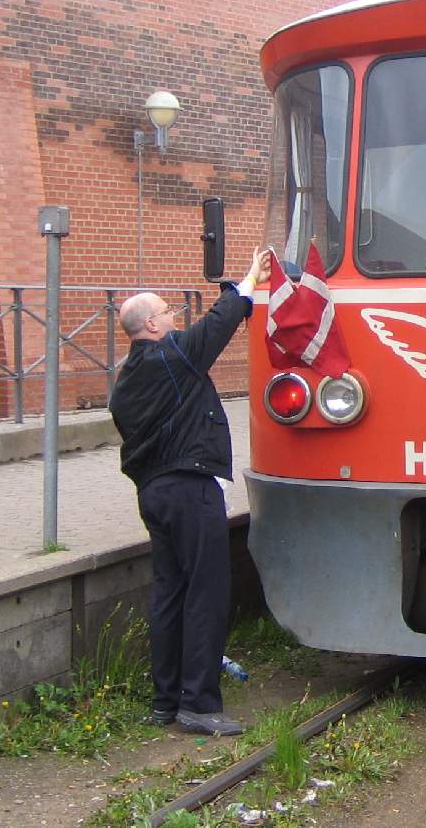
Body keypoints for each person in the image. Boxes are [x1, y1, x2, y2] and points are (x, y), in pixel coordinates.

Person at [109, 247, 268, 737]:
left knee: (170, 593)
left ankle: (165, 701)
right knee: (206, 593)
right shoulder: (166, 358)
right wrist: (245, 285)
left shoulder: (126, 380)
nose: (174, 322)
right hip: (188, 488)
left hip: (153, 495)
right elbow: (212, 333)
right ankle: (198, 704)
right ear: (151, 326)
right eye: (168, 314)